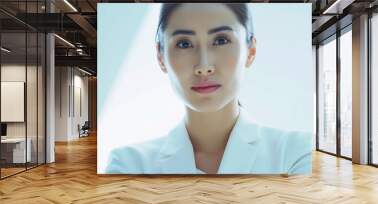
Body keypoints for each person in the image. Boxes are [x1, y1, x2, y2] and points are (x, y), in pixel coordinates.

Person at [105, 3, 312, 175]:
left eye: (221, 40)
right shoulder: (128, 164)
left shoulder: (296, 153)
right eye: (184, 44)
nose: (204, 67)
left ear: (250, 51)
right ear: (161, 57)